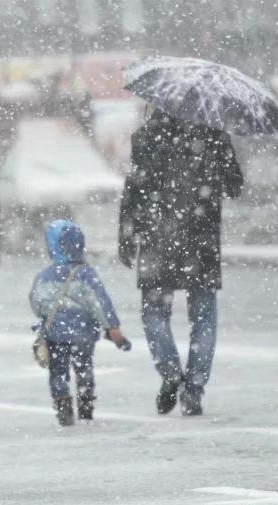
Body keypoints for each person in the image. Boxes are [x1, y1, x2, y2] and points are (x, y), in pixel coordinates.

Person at [119, 109, 243, 416]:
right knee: (203, 317)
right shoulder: (214, 136)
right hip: (200, 242)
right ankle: (195, 388)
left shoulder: (147, 136)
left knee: (154, 311)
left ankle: (171, 372)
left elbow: (133, 190)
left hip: (157, 238)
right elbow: (234, 186)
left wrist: (126, 235)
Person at [30, 220, 129, 425]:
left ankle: (62, 402)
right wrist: (112, 326)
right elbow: (100, 302)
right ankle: (85, 403)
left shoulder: (44, 276)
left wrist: (47, 317)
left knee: (58, 369)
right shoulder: (85, 274)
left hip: (55, 332)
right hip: (83, 331)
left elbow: (36, 301)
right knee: (84, 366)